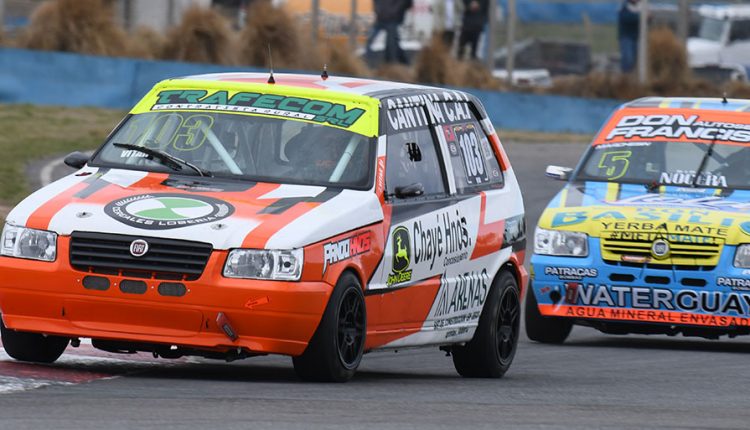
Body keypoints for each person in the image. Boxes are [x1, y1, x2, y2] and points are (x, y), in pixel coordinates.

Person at [367, 0, 413, 64]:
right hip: (382, 18)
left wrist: (393, 11)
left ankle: (394, 64)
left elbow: (407, 3)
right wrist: (378, 10)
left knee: (391, 44)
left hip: (392, 20)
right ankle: (367, 62)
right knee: (392, 43)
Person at [618, 0, 640, 73]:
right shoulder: (624, 6)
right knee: (628, 58)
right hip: (626, 37)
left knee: (636, 59)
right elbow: (626, 18)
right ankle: (626, 77)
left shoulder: (641, 6)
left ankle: (633, 76)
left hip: (637, 37)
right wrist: (641, 17)